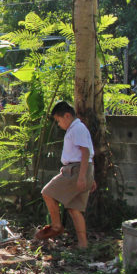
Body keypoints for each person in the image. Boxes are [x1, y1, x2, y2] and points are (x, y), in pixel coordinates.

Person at [35, 101, 96, 248]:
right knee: (74, 209)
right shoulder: (78, 128)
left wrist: (82, 176)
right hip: (83, 169)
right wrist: (90, 177)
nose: (58, 124)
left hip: (75, 171)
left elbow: (85, 151)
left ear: (67, 116)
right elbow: (88, 155)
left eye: (59, 120)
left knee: (47, 192)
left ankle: (56, 226)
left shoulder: (77, 129)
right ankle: (83, 245)